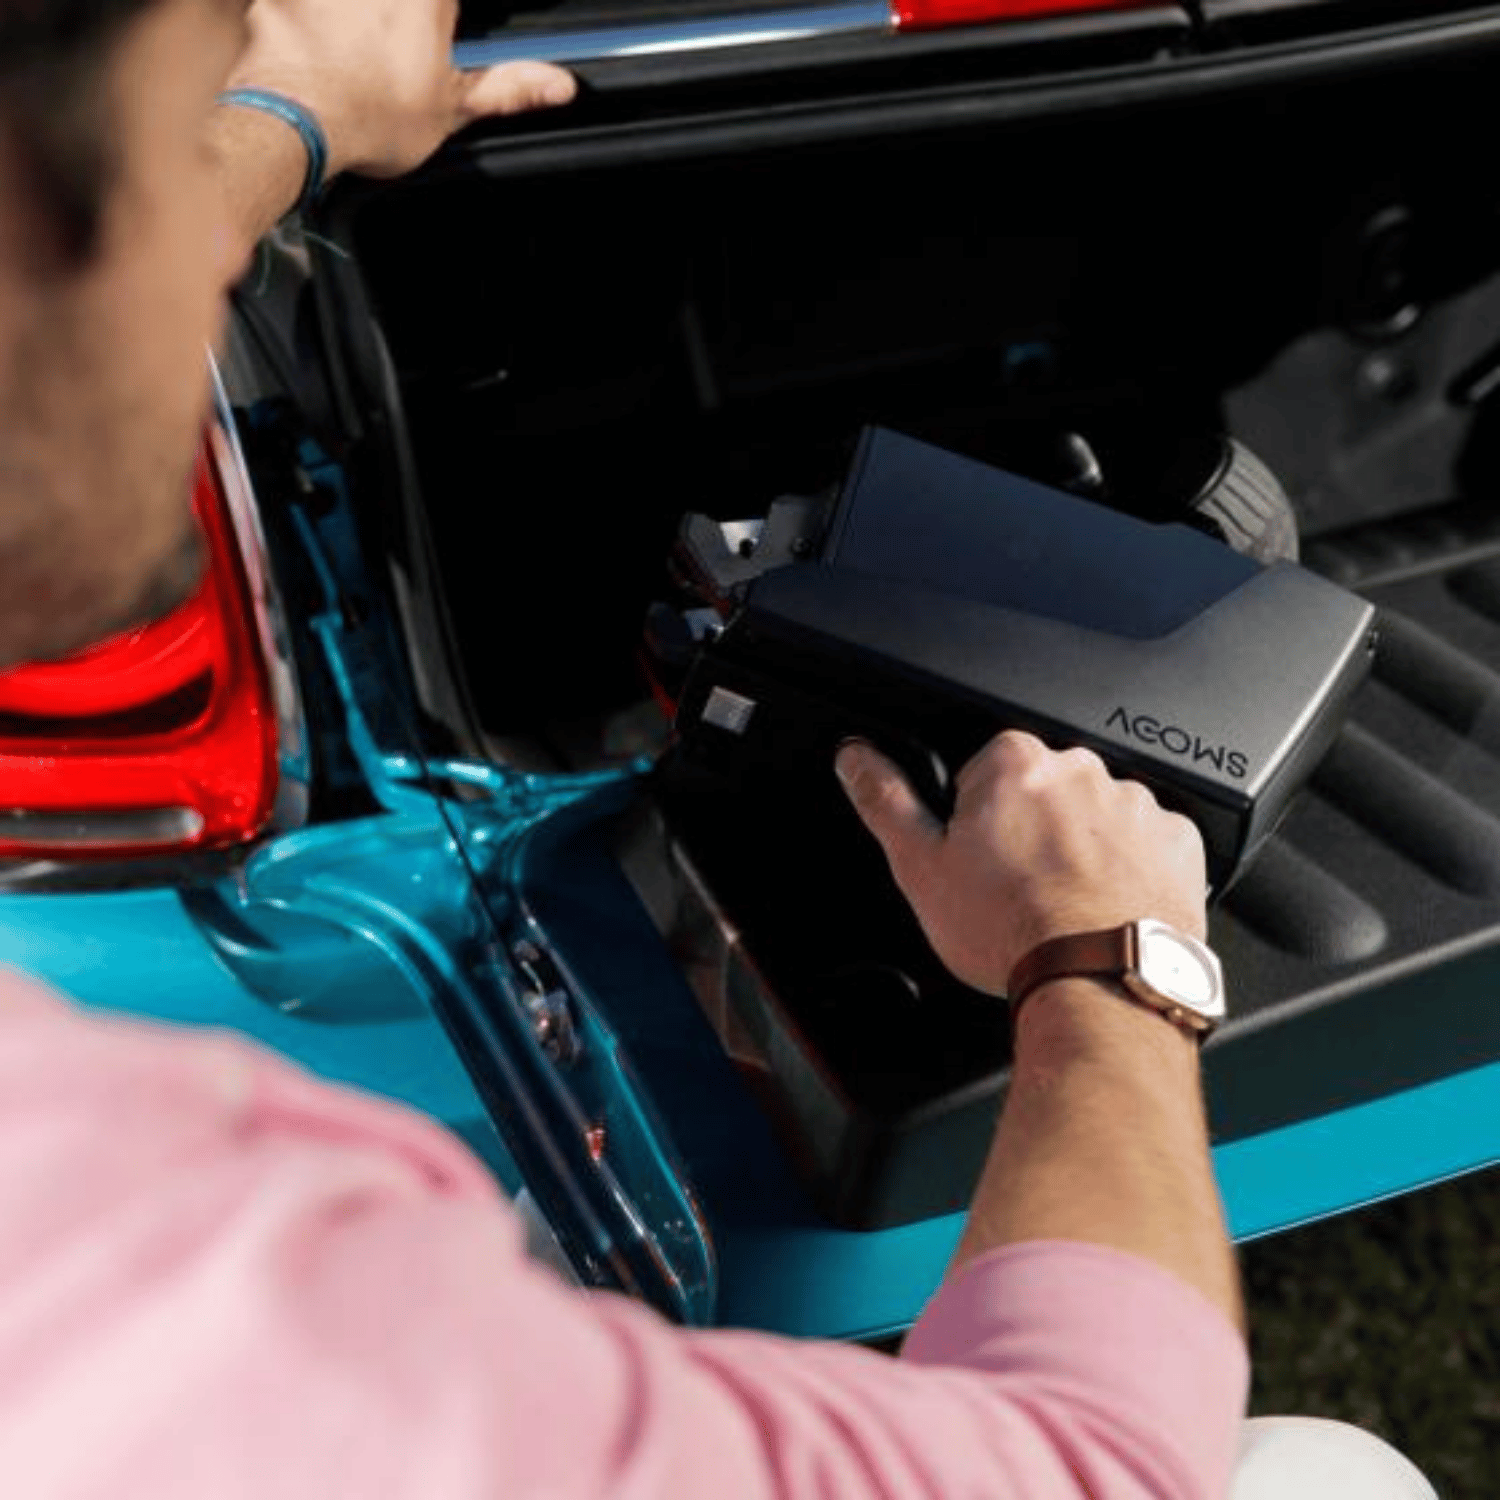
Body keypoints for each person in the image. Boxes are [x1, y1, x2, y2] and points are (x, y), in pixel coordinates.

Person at [0, 1, 1437, 1495]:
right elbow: (1095, 1468)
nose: (207, 267)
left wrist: (280, 124)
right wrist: (1109, 964)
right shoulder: (181, 1295)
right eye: (152, 160)